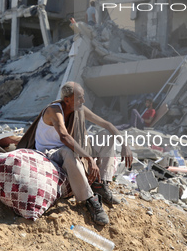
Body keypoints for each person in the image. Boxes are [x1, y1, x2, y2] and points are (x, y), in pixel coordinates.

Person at [17, 82, 133, 226]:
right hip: (50, 152)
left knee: (107, 136)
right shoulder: (54, 110)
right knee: (68, 152)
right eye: (79, 98)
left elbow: (107, 125)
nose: (83, 101)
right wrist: (89, 158)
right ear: (67, 100)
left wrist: (125, 145)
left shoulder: (78, 109)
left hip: (69, 148)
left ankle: (100, 184)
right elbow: (64, 137)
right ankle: (89, 199)